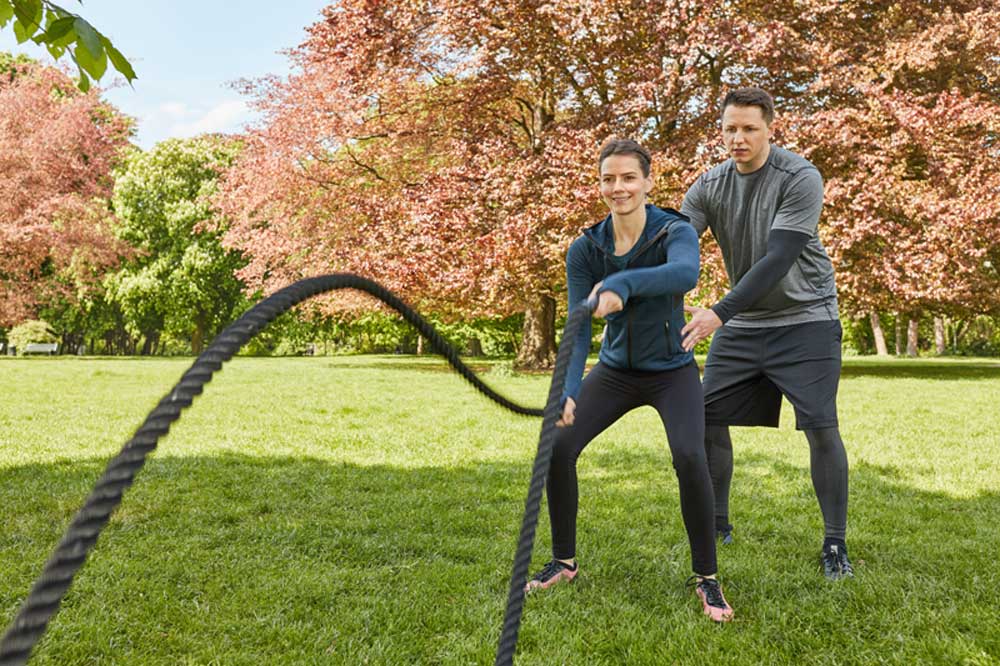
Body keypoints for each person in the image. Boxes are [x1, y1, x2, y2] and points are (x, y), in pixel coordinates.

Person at [524, 139, 733, 622]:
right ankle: (564, 561)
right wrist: (567, 390)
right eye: (608, 179)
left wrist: (621, 284)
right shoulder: (587, 247)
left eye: (628, 178)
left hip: (671, 372)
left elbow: (684, 275)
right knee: (557, 442)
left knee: (688, 454)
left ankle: (707, 578)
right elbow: (577, 330)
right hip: (615, 371)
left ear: (648, 182)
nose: (618, 188)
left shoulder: (674, 231)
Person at [679, 87, 853, 580]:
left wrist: (719, 311)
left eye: (749, 128)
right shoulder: (709, 184)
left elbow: (777, 259)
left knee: (820, 426)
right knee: (706, 415)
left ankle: (835, 544)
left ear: (770, 128)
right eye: (730, 128)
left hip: (806, 319)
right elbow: (677, 244)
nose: (738, 138)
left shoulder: (799, 176)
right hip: (746, 323)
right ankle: (717, 524)